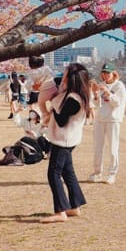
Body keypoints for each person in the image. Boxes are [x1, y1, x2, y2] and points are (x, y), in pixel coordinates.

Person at [40, 62, 90, 223]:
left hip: (63, 140)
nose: (63, 78)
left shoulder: (73, 99)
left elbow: (61, 121)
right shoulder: (78, 95)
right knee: (68, 172)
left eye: (66, 74)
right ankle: (75, 206)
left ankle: (60, 211)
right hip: (69, 139)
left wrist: (53, 104)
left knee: (53, 173)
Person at [89, 63, 126, 184]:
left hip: (113, 119)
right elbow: (95, 104)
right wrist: (95, 93)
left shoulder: (119, 86)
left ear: (113, 73)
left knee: (113, 148)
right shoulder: (101, 84)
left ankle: (112, 174)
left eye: (107, 73)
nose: (105, 75)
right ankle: (97, 172)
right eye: (103, 73)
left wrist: (108, 93)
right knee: (97, 147)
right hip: (100, 119)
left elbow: (117, 103)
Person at [26, 56, 55, 125]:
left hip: (43, 92)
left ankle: (46, 116)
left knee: (41, 104)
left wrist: (35, 86)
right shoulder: (47, 68)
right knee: (56, 104)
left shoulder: (32, 73)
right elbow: (53, 74)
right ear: (43, 63)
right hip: (53, 89)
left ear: (30, 65)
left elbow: (29, 86)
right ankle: (54, 112)